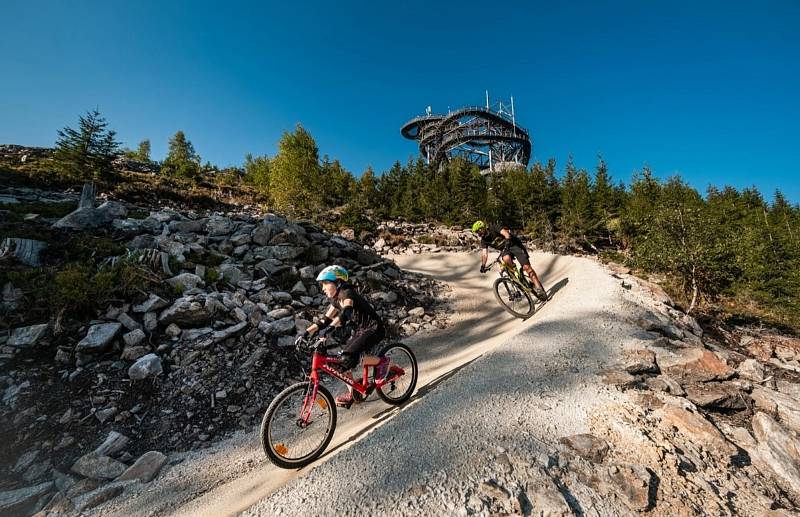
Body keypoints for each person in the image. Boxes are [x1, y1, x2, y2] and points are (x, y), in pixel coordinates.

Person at [296, 265, 388, 408]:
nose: (323, 288)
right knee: (342, 361)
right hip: (363, 330)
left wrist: (331, 328)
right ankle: (353, 392)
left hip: (374, 328)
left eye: (326, 283)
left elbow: (346, 312)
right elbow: (324, 320)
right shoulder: (336, 300)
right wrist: (306, 332)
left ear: (337, 282)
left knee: (348, 356)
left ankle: (382, 362)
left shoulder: (347, 293)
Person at [471, 220, 549, 301]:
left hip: (514, 244)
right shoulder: (484, 240)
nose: (478, 234)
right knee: (505, 259)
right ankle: (516, 279)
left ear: (482, 228)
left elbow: (506, 233)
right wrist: (483, 265)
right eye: (477, 233)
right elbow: (484, 254)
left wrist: (507, 240)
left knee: (526, 267)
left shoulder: (493, 227)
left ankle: (539, 288)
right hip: (505, 250)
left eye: (478, 232)